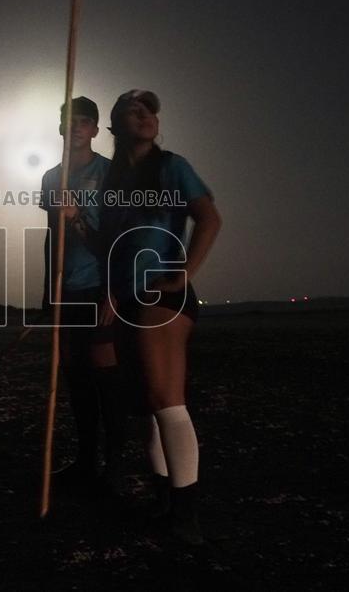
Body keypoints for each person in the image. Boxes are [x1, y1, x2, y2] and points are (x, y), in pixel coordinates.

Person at [95, 90, 222, 546]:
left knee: (166, 399)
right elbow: (111, 247)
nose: (146, 115)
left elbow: (209, 219)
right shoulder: (111, 183)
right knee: (146, 405)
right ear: (115, 125)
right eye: (134, 110)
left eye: (150, 109)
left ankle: (186, 516)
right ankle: (165, 501)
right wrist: (79, 226)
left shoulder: (172, 166)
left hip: (160, 292)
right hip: (126, 297)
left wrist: (182, 275)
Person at [39, 96, 129, 497]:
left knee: (106, 378)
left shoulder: (111, 174)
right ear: (60, 128)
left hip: (100, 285)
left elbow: (121, 239)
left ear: (95, 130)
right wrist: (48, 294)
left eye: (84, 121)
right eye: (68, 120)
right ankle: (86, 459)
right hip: (66, 290)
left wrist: (116, 289)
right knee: (75, 379)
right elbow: (50, 236)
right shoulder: (50, 177)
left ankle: (116, 466)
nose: (75, 126)